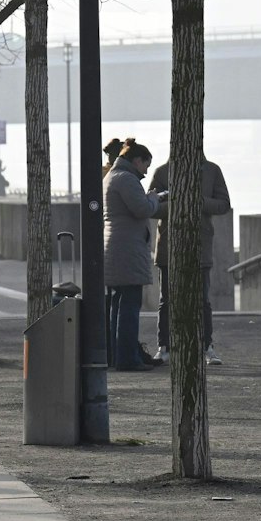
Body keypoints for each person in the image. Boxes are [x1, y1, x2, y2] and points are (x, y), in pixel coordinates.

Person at [148, 152, 232, 366]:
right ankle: (164, 346)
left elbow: (223, 204)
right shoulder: (161, 172)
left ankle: (206, 347)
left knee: (202, 300)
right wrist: (179, 205)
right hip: (168, 244)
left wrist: (197, 202)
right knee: (166, 299)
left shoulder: (212, 170)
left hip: (200, 244)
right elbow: (151, 206)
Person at [104, 138, 167, 372]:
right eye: (145, 166)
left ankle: (117, 355)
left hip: (116, 248)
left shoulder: (113, 176)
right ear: (136, 160)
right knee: (130, 307)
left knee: (118, 305)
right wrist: (153, 197)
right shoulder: (126, 179)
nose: (146, 171)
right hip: (127, 249)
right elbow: (142, 209)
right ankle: (128, 358)